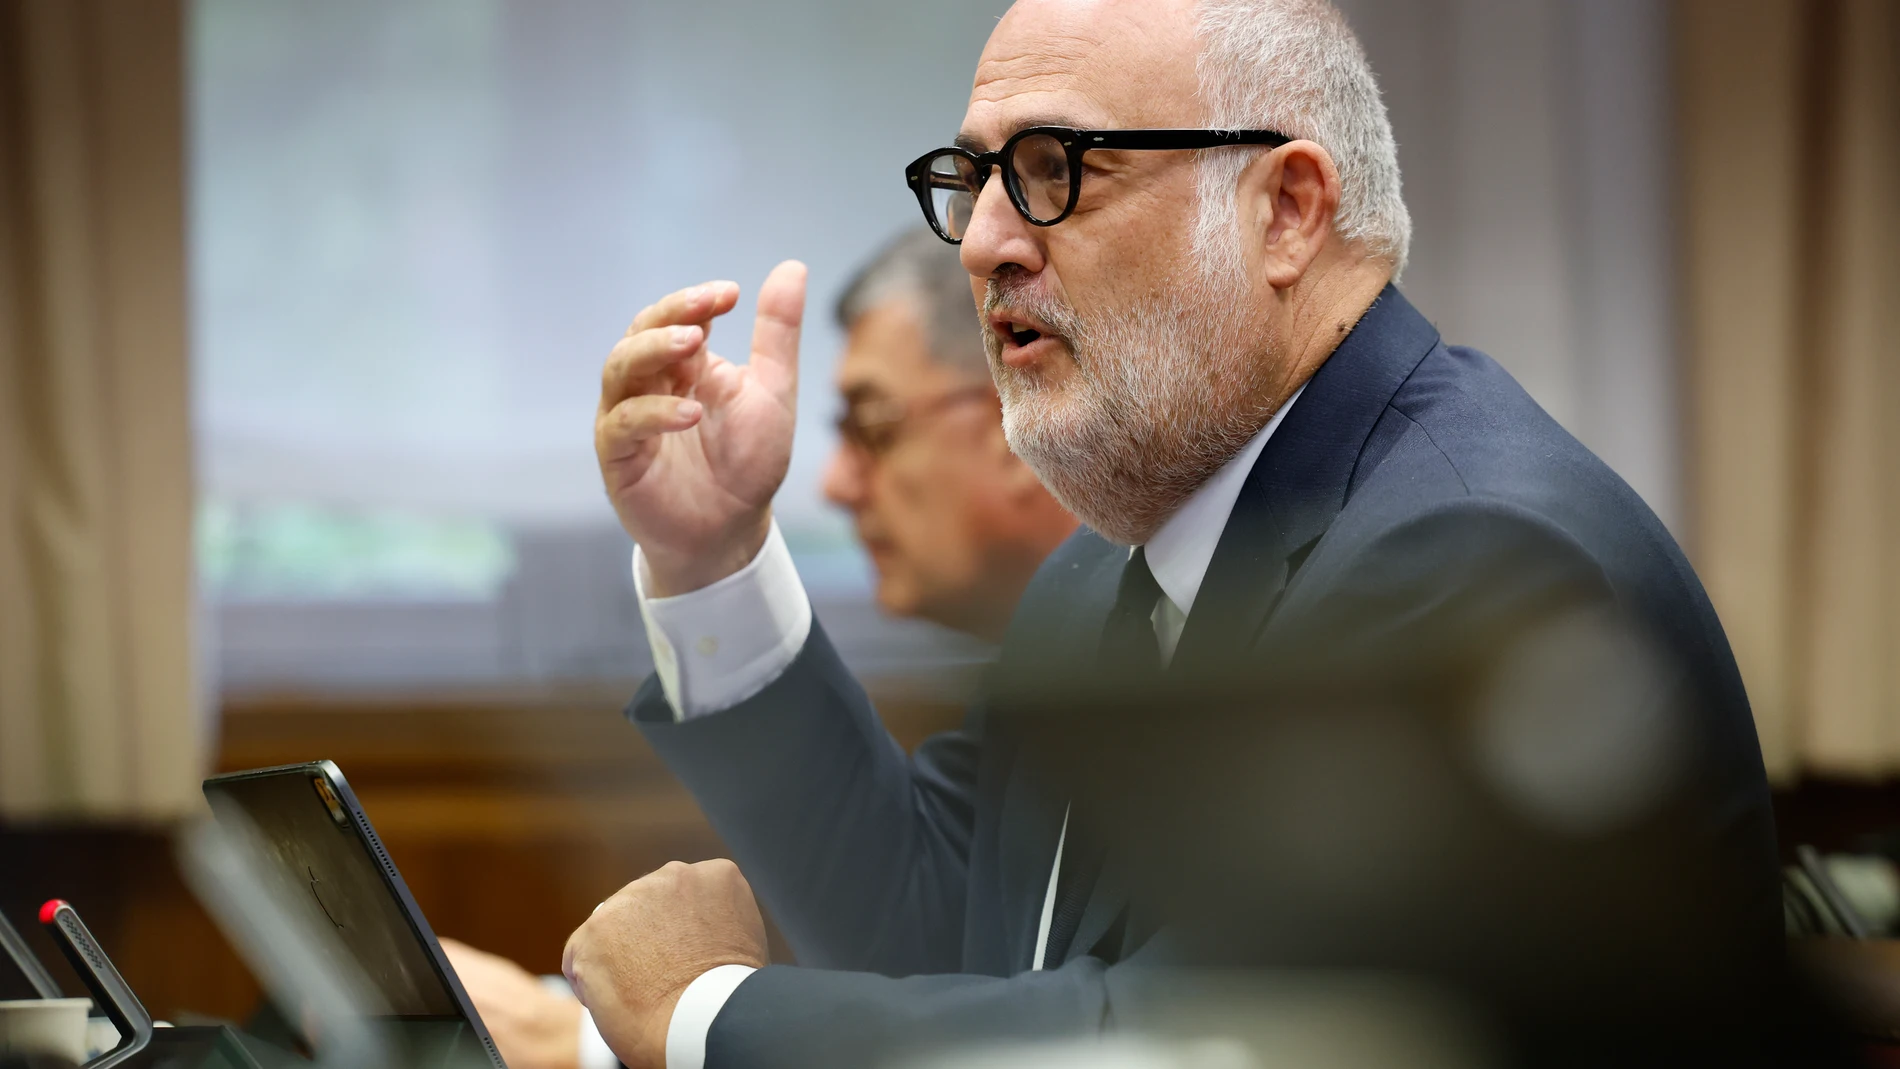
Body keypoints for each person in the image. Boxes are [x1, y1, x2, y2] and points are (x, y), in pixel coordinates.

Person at [563, 1, 1781, 1066]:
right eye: (975, 176)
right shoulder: (1111, 564)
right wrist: (711, 559)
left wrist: (705, 1016)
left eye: (1054, 165)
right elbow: (936, 925)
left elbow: (1189, 1037)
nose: (984, 239)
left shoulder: (1471, 561)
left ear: (1288, 211)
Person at [439, 229, 1078, 1069]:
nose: (835, 484)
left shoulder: (1233, 610)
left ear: (1013, 403)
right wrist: (711, 559)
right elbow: (921, 930)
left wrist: (652, 1025)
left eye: (873, 426)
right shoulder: (1073, 628)